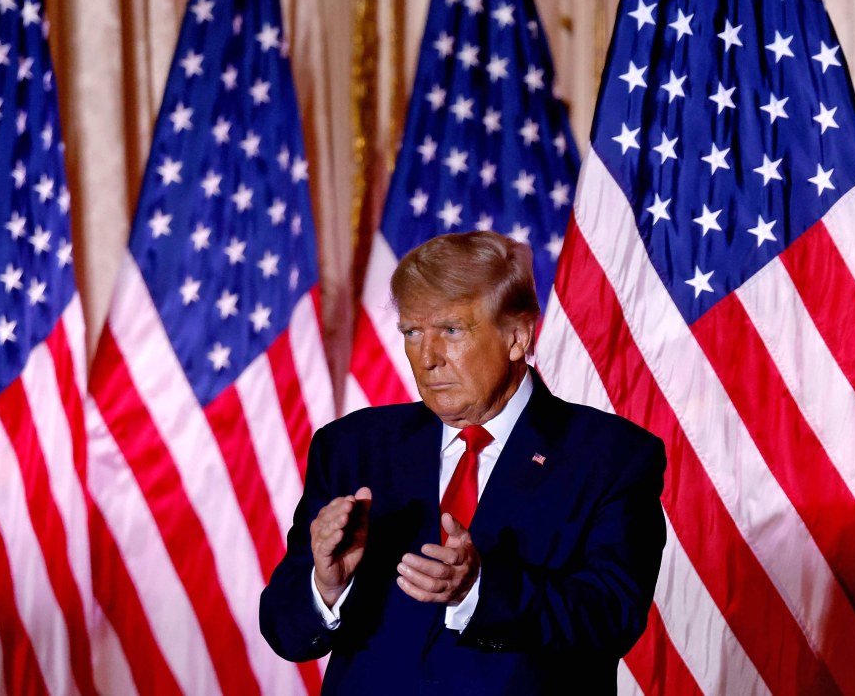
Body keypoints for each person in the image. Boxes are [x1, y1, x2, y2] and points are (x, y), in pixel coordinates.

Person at [260, 230, 667, 694]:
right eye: (412, 332)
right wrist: (326, 587)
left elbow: (611, 617)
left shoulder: (611, 456)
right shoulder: (352, 447)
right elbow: (285, 630)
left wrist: (478, 590)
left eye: (451, 330)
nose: (427, 357)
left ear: (516, 337)